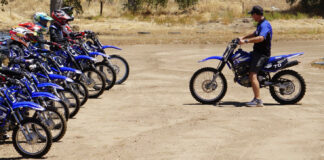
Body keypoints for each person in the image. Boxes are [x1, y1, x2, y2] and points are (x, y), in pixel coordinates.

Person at [239, 5, 272, 107]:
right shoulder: (260, 24)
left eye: (252, 15)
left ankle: (258, 100)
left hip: (262, 54)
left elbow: (261, 38)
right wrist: (243, 37)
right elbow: (255, 34)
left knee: (252, 75)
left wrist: (246, 41)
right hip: (257, 52)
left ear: (256, 14)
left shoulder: (265, 25)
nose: (252, 17)